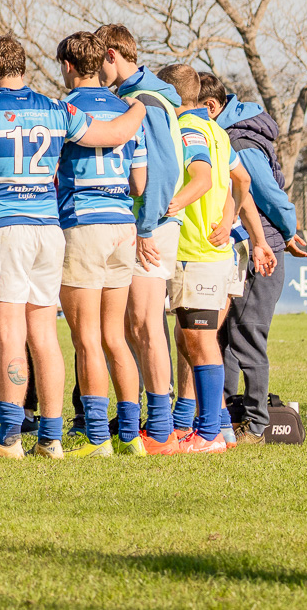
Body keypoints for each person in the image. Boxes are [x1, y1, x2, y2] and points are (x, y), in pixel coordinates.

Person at [0, 35, 145, 460]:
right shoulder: (58, 109)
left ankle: (9, 439)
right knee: (45, 336)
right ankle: (51, 439)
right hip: (48, 230)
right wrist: (140, 106)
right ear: (25, 67)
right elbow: (112, 133)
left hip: (4, 228)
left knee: (10, 340)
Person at [94, 24, 194, 449]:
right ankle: (146, 421)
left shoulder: (147, 99)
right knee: (137, 327)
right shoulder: (143, 94)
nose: (97, 71)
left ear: (113, 54)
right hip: (145, 225)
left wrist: (147, 227)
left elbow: (165, 169)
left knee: (146, 325)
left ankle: (160, 428)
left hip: (149, 228)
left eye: (99, 60)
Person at [50, 31, 147, 457]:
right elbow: (139, 181)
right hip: (122, 223)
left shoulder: (62, 109)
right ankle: (130, 437)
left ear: (68, 65)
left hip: (83, 224)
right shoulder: (128, 110)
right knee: (114, 337)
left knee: (85, 337)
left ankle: (97, 438)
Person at [155, 63, 250, 454]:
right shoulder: (217, 131)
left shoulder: (187, 129)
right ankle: (215, 425)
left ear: (171, 97)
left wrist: (165, 209)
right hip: (210, 250)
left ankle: (209, 433)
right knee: (190, 336)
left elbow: (204, 179)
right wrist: (229, 217)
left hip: (196, 252)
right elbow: (240, 180)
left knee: (199, 339)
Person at [204, 74, 292, 445]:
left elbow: (264, 193)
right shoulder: (228, 135)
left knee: (247, 335)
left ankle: (256, 424)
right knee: (224, 336)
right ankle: (227, 417)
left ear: (209, 107)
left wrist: (287, 232)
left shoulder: (237, 138)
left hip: (260, 247)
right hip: (240, 246)